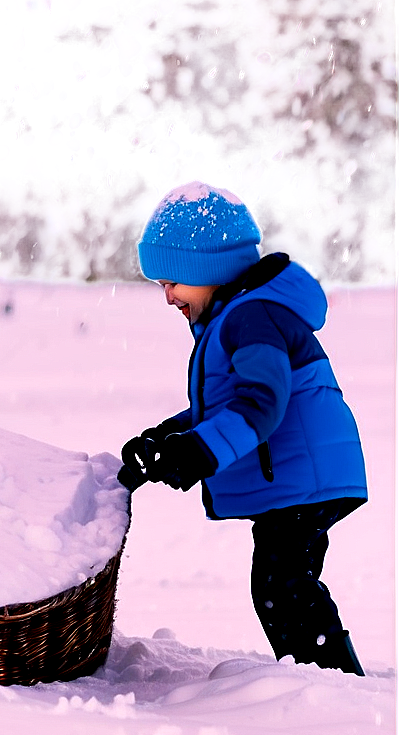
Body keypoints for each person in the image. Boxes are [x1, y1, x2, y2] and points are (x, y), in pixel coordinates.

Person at [119, 180, 367, 675]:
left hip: (307, 477)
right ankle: (321, 676)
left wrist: (197, 452)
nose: (167, 297)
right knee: (281, 583)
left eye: (172, 282)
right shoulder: (238, 315)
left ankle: (331, 682)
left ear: (207, 269)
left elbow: (261, 403)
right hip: (299, 476)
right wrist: (167, 440)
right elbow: (225, 405)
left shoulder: (252, 317)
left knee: (282, 585)